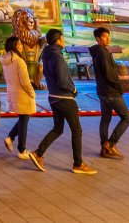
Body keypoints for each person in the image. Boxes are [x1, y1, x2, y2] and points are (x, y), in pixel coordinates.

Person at [27, 28, 95, 175]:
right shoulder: (58, 57)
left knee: (58, 129)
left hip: (53, 97)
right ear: (58, 40)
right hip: (65, 98)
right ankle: (78, 164)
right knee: (76, 130)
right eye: (63, 38)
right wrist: (74, 90)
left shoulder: (47, 55)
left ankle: (38, 153)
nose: (64, 40)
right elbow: (63, 81)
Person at [90, 27, 129, 159]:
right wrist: (119, 88)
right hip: (111, 91)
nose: (108, 39)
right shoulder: (103, 53)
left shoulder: (97, 52)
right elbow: (110, 75)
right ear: (98, 39)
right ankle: (111, 144)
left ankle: (104, 147)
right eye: (104, 36)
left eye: (108, 36)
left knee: (105, 118)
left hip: (102, 90)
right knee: (126, 118)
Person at [0, 35, 35, 159]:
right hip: (22, 93)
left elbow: (6, 78)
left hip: (13, 91)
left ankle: (10, 138)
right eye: (19, 44)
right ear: (14, 46)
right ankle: (22, 150)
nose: (21, 46)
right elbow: (25, 82)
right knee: (24, 120)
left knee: (23, 118)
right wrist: (32, 93)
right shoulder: (19, 61)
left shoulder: (5, 60)